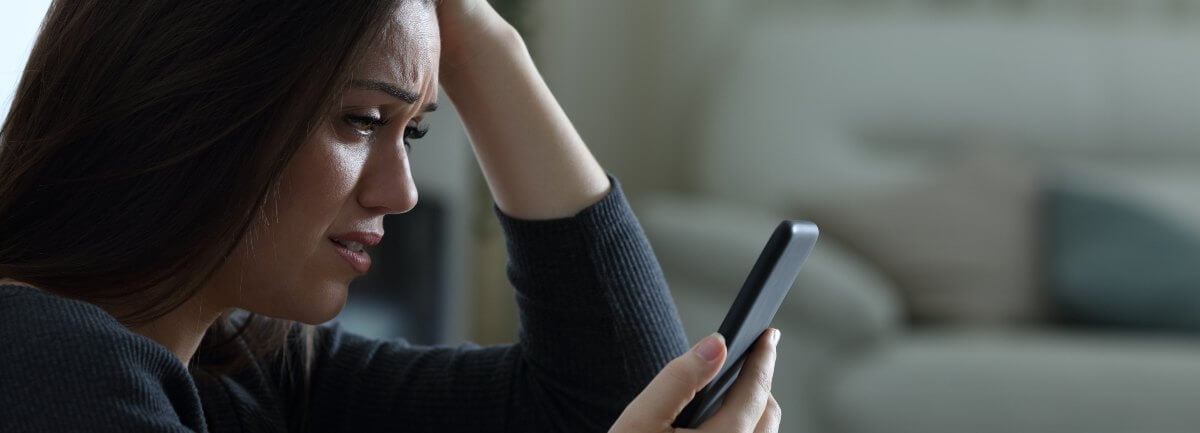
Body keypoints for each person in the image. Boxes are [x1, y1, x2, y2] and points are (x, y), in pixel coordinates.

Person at [0, 0, 780, 432]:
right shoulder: (47, 368)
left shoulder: (245, 368)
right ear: (188, 103)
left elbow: (609, 395)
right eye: (363, 120)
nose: (401, 191)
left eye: (416, 129)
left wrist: (479, 37)